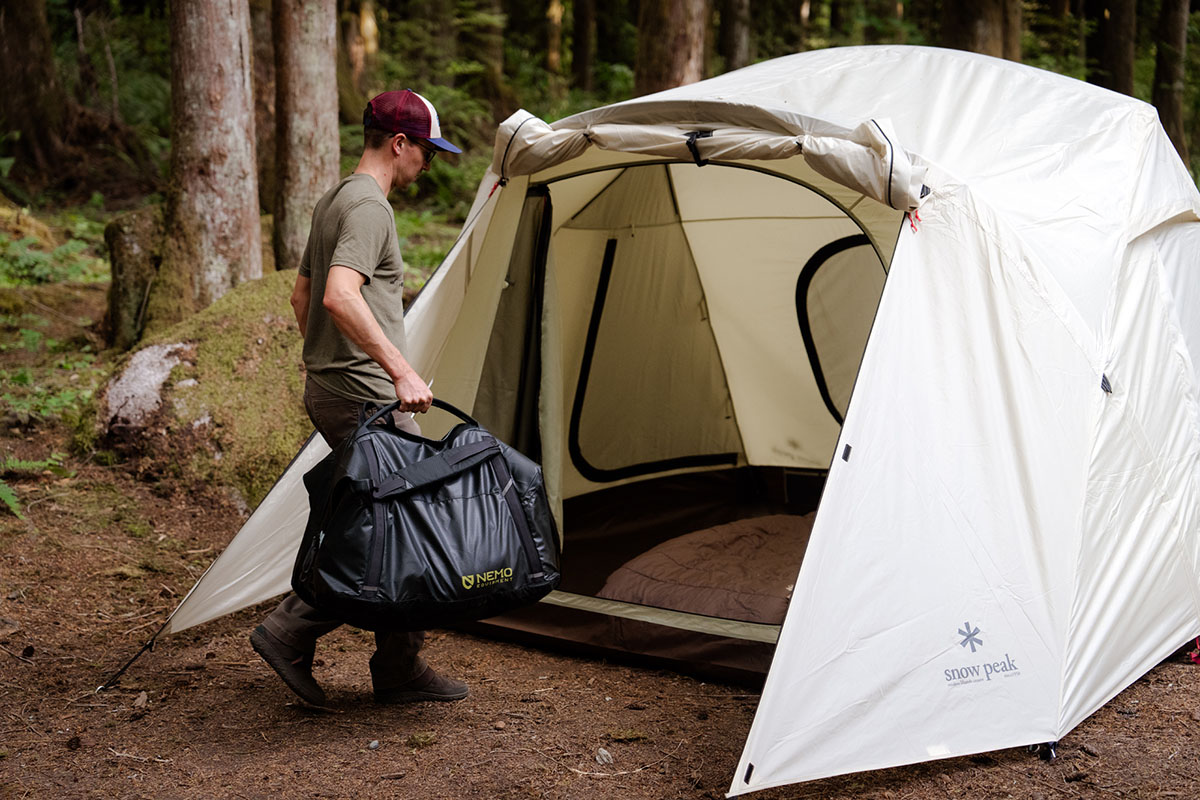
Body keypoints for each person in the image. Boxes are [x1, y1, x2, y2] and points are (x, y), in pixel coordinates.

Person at [250, 89, 467, 707]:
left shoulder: (335, 199)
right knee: (403, 525)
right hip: (368, 400)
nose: (428, 164)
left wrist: (330, 361)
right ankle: (291, 630)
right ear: (398, 144)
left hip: (332, 390)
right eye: (426, 151)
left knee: (387, 521)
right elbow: (338, 296)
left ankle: (398, 664)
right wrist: (400, 372)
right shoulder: (371, 208)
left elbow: (300, 298)